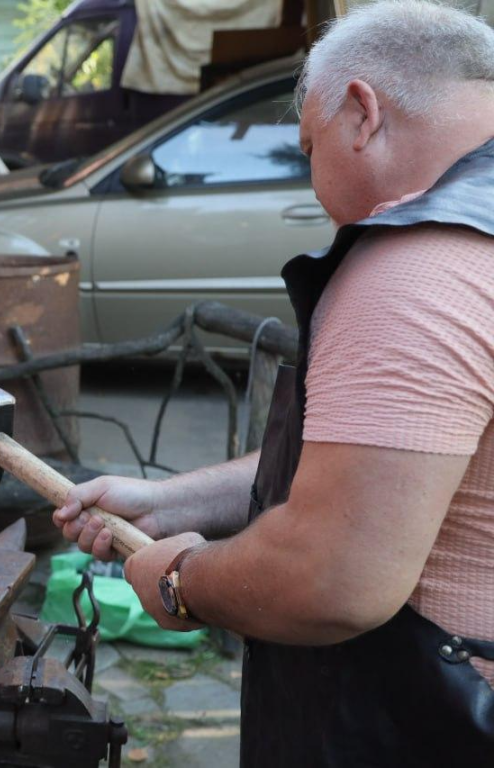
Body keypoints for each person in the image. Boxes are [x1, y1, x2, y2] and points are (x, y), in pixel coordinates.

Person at [55, 2, 494, 765]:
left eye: (309, 145)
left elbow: (332, 577)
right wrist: (173, 500)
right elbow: (384, 470)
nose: (310, 171)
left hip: (425, 725)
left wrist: (182, 583)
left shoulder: (417, 270)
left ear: (361, 113)